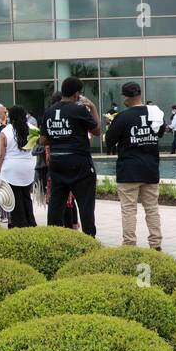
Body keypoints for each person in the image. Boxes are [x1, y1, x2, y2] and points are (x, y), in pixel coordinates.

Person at [105, 82, 166, 249]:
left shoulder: (122, 117)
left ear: (126, 97)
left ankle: (129, 244)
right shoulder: (155, 114)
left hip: (128, 170)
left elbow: (109, 142)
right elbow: (160, 133)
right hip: (150, 168)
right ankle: (156, 244)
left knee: (129, 210)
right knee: (152, 209)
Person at [40, 77, 101, 234]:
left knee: (56, 203)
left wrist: (59, 136)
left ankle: (53, 236)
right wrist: (93, 107)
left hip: (57, 162)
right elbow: (97, 130)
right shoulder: (79, 110)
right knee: (85, 204)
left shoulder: (49, 111)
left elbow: (43, 139)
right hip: (79, 162)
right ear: (77, 94)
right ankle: (89, 239)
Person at [0, 105, 38, 228]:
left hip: (11, 169)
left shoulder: (5, 131)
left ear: (10, 117)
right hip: (28, 168)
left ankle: (19, 225)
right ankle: (30, 223)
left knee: (15, 199)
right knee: (26, 197)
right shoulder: (34, 129)